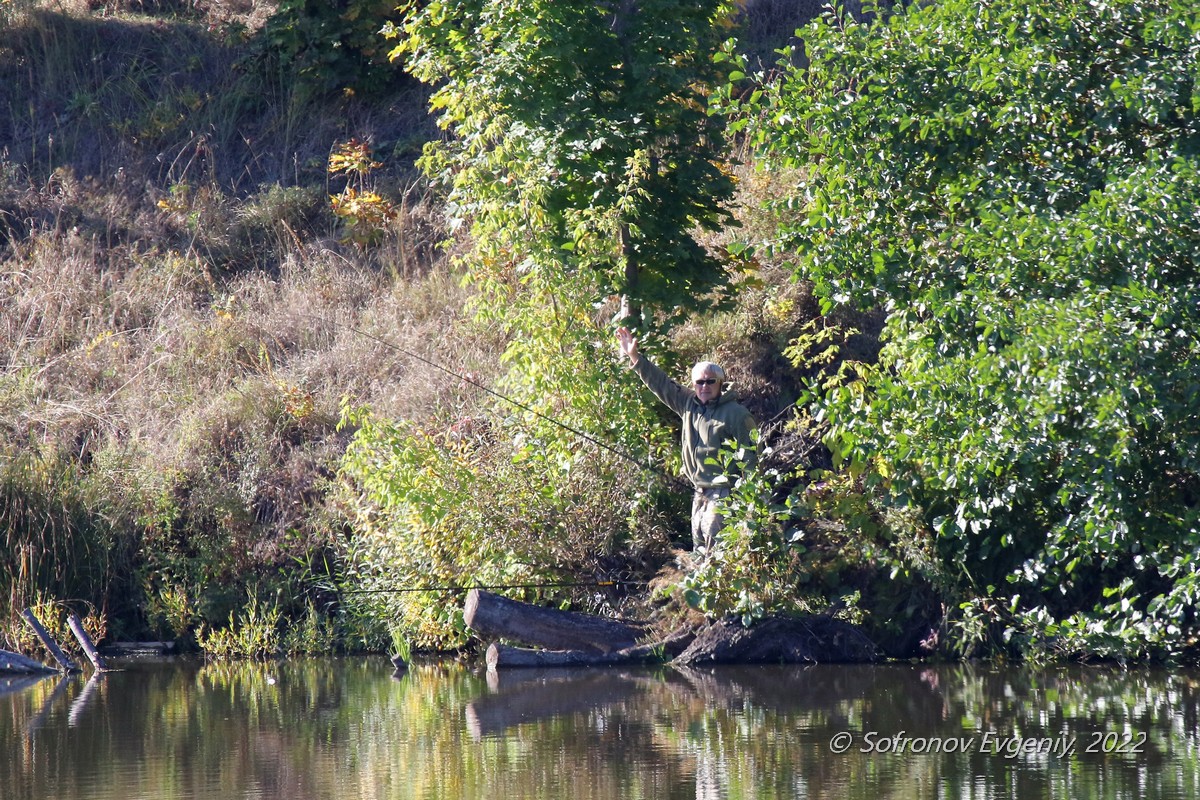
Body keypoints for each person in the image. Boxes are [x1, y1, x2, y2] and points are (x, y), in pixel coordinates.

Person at [616, 326, 757, 554]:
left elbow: (750, 460)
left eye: (710, 382)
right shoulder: (688, 403)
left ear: (720, 383)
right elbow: (661, 384)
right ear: (693, 385)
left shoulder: (737, 414)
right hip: (699, 491)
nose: (704, 387)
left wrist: (751, 504)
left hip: (725, 493)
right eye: (699, 382)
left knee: (718, 553)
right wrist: (635, 357)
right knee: (700, 552)